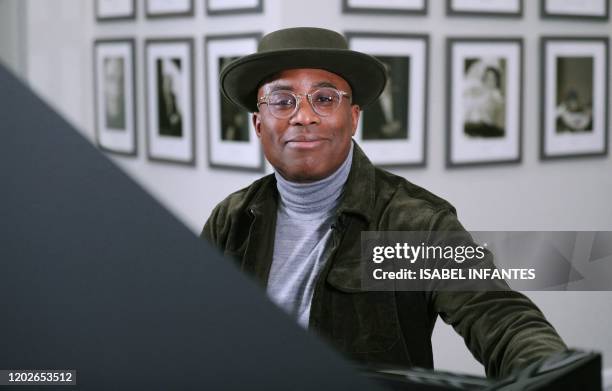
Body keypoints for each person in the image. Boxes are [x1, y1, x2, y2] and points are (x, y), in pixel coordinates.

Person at [201, 27, 566, 378]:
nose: (304, 116)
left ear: (354, 117)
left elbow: (501, 318)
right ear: (259, 125)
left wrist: (550, 373)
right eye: (282, 101)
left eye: (325, 99)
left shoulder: (413, 223)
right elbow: (193, 329)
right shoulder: (231, 221)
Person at [463, 63, 505, 138]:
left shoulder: (495, 95)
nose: (489, 80)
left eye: (492, 78)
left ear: (496, 81)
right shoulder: (477, 90)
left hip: (484, 127)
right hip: (470, 125)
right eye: (487, 77)